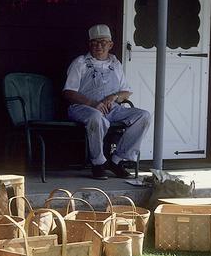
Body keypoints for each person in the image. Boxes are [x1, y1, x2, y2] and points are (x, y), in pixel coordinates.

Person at [63, 24, 151, 180]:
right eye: (95, 42)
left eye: (103, 42)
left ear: (110, 45)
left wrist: (114, 97)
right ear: (89, 44)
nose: (99, 46)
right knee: (96, 117)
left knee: (143, 116)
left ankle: (116, 160)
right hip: (83, 108)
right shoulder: (80, 63)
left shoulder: (115, 64)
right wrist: (92, 103)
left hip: (112, 109)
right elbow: (68, 92)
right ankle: (98, 164)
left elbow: (126, 91)